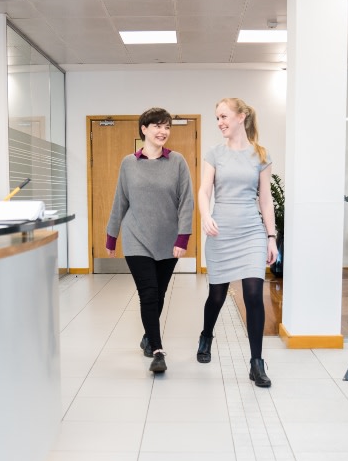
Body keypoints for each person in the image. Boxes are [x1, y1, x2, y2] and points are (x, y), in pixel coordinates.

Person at [106, 107, 195, 374]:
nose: (163, 131)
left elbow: (186, 202)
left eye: (167, 126)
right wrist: (112, 237)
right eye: (157, 126)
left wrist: (183, 237)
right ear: (144, 129)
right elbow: (120, 201)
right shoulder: (128, 163)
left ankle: (148, 336)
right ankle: (157, 350)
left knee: (159, 293)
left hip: (168, 240)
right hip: (136, 238)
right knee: (148, 294)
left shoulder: (177, 161)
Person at [196, 97, 278, 387]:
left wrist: (271, 237)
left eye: (224, 116)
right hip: (221, 233)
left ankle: (257, 363)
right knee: (216, 295)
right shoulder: (215, 154)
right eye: (217, 118)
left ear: (241, 116)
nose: (220, 122)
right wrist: (206, 216)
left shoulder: (260, 155)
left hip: (251, 233)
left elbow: (266, 200)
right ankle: (207, 335)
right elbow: (204, 191)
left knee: (254, 295)